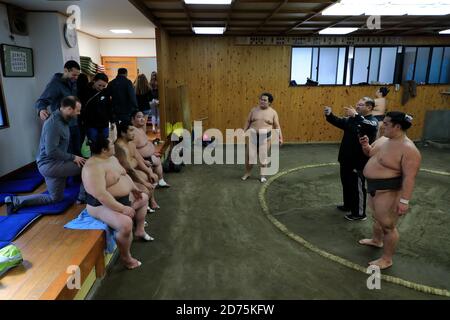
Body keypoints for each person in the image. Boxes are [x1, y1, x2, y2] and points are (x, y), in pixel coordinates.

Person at [358, 111, 421, 269]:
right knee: (376, 218)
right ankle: (376, 240)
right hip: (373, 187)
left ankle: (387, 259)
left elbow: (409, 178)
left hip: (389, 191)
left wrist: (404, 201)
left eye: (386, 123)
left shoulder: (409, 150)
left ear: (397, 126)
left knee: (388, 226)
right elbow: (371, 154)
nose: (382, 125)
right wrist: (365, 146)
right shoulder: (384, 139)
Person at [82, 133, 153, 270]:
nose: (114, 146)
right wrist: (122, 208)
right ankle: (126, 258)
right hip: (100, 205)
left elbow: (124, 174)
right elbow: (100, 195)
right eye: (111, 145)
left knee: (144, 197)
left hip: (122, 199)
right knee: (125, 224)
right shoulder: (92, 168)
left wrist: (133, 188)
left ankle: (139, 230)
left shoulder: (112, 158)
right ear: (103, 150)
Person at [5, 96, 86, 213]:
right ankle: (83, 198)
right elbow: (51, 151)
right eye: (78, 110)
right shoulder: (54, 124)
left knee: (55, 198)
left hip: (53, 163)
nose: (79, 113)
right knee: (88, 166)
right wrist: (73, 157)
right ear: (68, 109)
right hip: (50, 165)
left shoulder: (63, 120)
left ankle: (15, 201)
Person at [324, 97, 378, 221]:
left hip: (358, 161)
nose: (357, 106)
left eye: (360, 105)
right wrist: (329, 115)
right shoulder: (352, 119)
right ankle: (348, 205)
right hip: (345, 158)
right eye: (357, 104)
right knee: (347, 184)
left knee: (357, 187)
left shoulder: (372, 121)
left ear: (369, 107)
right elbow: (339, 122)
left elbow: (370, 127)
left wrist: (356, 116)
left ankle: (359, 213)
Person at [34, 60, 82, 155]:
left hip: (74, 123)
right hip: (63, 125)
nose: (76, 78)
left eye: (77, 75)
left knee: (78, 151)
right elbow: (41, 100)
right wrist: (41, 109)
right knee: (69, 153)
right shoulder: (55, 84)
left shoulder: (72, 82)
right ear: (65, 70)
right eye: (74, 75)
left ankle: (80, 169)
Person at [115, 121, 160, 211]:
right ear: (123, 133)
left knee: (152, 176)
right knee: (146, 188)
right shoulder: (120, 148)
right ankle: (143, 207)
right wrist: (144, 182)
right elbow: (129, 170)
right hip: (126, 176)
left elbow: (138, 160)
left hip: (134, 171)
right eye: (131, 130)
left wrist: (149, 172)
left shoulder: (131, 143)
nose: (134, 133)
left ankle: (152, 200)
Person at [241, 93, 283, 183]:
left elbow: (277, 126)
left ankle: (262, 176)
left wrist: (280, 138)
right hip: (252, 137)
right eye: (261, 99)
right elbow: (248, 121)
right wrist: (244, 131)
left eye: (264, 100)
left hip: (265, 138)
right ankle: (247, 173)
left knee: (263, 157)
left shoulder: (273, 113)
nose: (262, 101)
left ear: (269, 103)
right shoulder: (253, 110)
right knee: (249, 157)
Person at [131, 110, 170, 188]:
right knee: (151, 170)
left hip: (149, 156)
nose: (142, 119)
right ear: (132, 120)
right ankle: (154, 184)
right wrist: (143, 160)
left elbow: (146, 143)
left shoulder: (141, 129)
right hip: (142, 159)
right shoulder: (132, 132)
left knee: (158, 161)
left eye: (142, 117)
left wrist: (153, 152)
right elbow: (133, 151)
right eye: (139, 117)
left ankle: (161, 181)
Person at [79, 73, 112, 142]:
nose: (101, 88)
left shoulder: (106, 92)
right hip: (91, 125)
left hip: (104, 124)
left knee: (105, 145)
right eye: (99, 85)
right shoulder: (85, 91)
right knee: (93, 145)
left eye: (104, 86)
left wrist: (112, 120)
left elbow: (109, 107)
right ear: (94, 81)